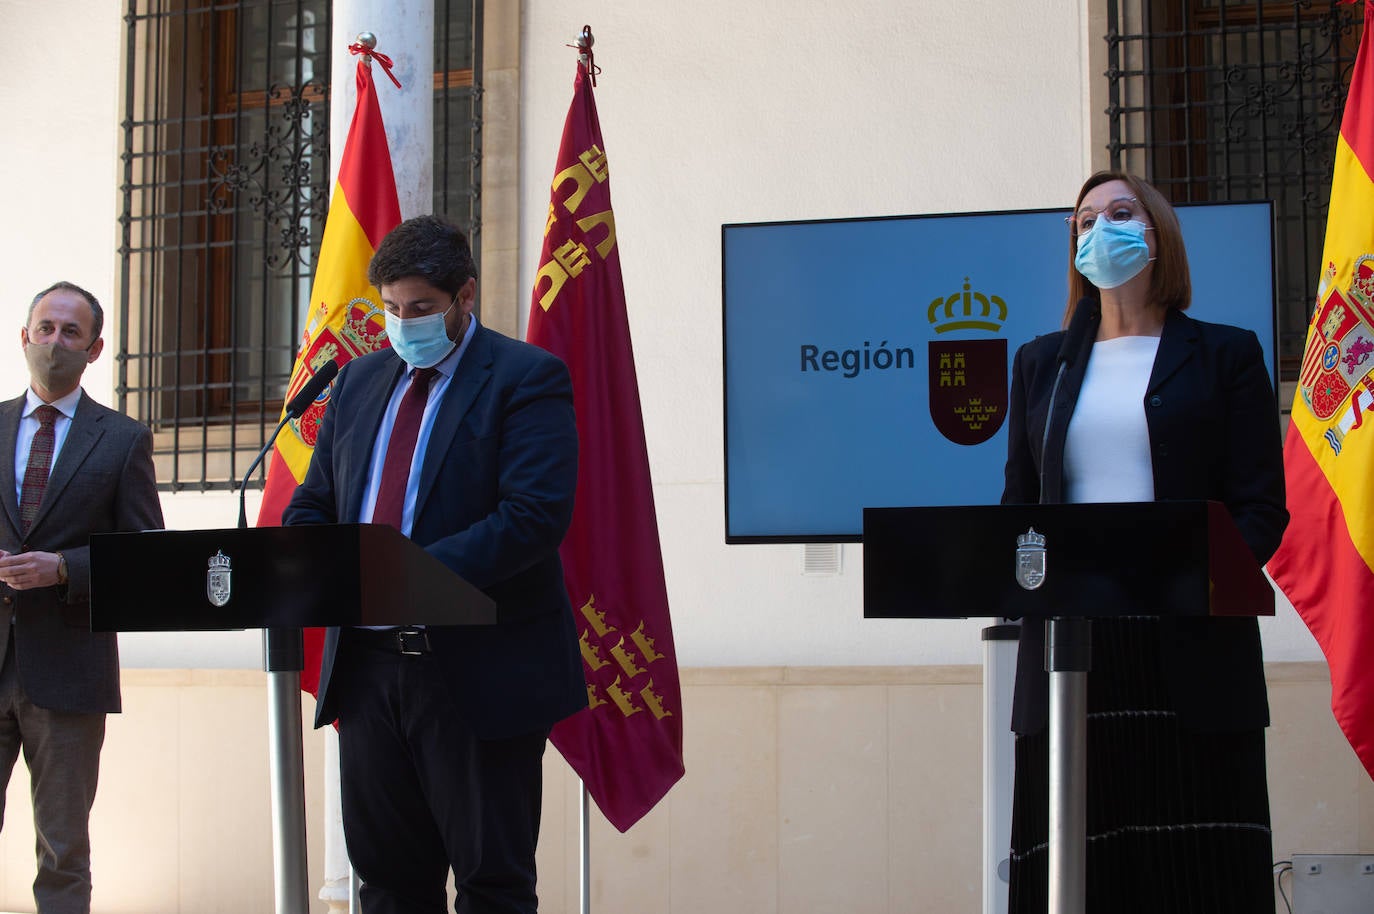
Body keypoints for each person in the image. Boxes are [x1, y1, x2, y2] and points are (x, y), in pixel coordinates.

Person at [1001, 172, 1288, 912]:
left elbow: (1260, 506)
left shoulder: (1226, 355)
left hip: (1189, 642)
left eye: (1121, 213)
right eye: (1085, 220)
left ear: (1156, 234)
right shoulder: (1041, 363)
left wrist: (1195, 575)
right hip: (1071, 649)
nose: (1101, 229)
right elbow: (1018, 509)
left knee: (1194, 873)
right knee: (1079, 868)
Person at [282, 215, 586, 914]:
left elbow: (532, 517)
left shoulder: (525, 378)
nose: (402, 322)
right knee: (388, 886)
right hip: (367, 671)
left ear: (465, 297)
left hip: (477, 671)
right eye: (390, 308)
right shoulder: (357, 383)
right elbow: (315, 504)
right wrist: (310, 563)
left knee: (492, 885)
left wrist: (396, 574)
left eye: (420, 308)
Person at [0, 281, 163, 914]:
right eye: (45, 328)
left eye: (72, 332)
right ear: (24, 337)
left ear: (94, 350)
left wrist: (64, 568)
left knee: (62, 852)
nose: (55, 342)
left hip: (69, 669)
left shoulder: (121, 440)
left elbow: (148, 553)